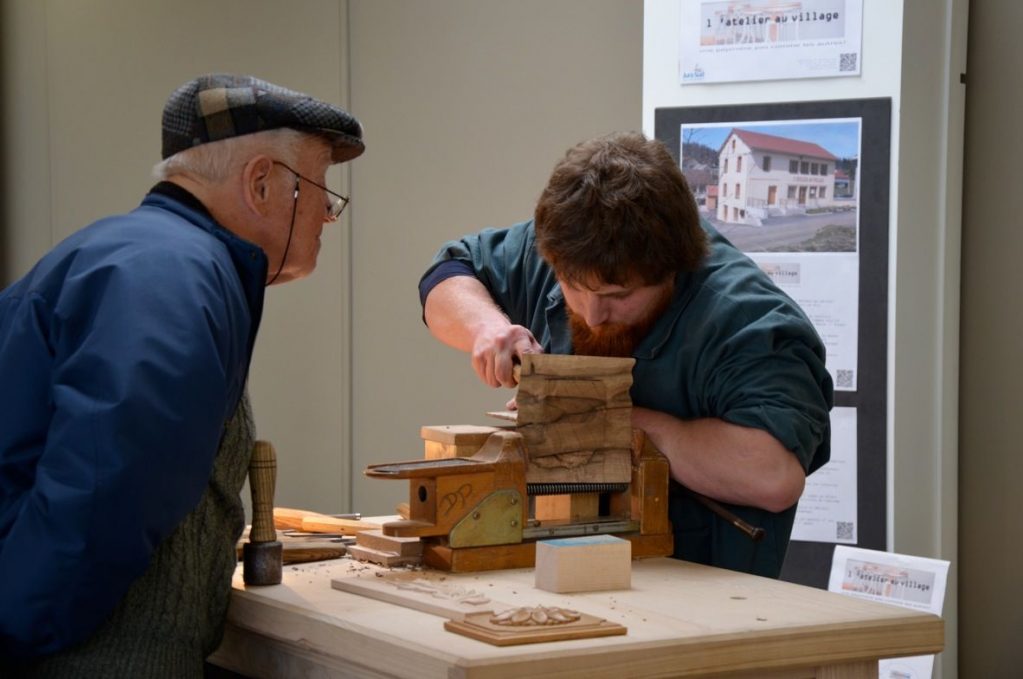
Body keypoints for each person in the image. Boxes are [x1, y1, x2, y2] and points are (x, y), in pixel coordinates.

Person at [0, 73, 364, 675]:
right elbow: (103, 494)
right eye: (321, 187)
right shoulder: (172, 277)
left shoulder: (144, 256)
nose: (328, 214)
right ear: (262, 182)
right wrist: (22, 627)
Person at [418, 131, 833, 578]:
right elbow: (447, 273)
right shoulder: (573, 245)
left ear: (673, 267)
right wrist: (488, 327)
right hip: (558, 577)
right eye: (573, 288)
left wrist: (610, 419)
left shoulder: (747, 322)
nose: (594, 315)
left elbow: (772, 476)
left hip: (703, 601)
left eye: (620, 295)